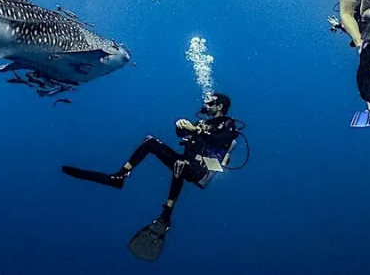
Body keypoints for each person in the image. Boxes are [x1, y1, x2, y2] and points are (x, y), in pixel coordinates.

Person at [61, 93, 245, 261]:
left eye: (210, 102)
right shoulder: (203, 123)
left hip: (202, 171)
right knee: (151, 142)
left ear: (219, 106)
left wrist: (196, 130)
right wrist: (180, 125)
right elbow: (182, 134)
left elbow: (219, 141)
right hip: (186, 163)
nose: (205, 104)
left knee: (181, 164)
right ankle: (119, 177)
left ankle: (167, 212)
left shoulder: (228, 124)